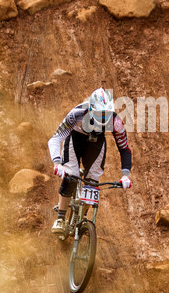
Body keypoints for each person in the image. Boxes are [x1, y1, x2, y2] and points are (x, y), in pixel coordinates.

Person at [48, 88, 132, 234]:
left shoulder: (115, 121)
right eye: (100, 114)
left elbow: (124, 149)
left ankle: (82, 218)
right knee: (71, 175)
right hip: (75, 138)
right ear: (92, 109)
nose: (104, 118)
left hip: (96, 142)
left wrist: (126, 174)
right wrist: (57, 163)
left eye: (106, 114)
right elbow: (56, 139)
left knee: (93, 180)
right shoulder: (77, 114)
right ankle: (60, 218)